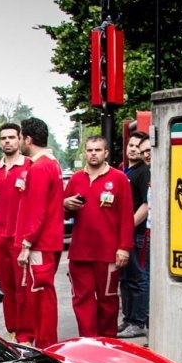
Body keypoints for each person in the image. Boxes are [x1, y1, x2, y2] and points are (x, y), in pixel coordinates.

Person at [63, 136, 134, 338]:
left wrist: (124, 248)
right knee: (81, 300)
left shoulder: (119, 178)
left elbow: (126, 216)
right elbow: (63, 213)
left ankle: (107, 344)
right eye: (90, 150)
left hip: (109, 253)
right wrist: (65, 204)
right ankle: (88, 341)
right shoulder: (76, 178)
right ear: (85, 153)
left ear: (106, 153)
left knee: (108, 301)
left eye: (98, 150)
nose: (93, 153)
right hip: (80, 253)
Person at [13, 117, 65, 348]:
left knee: (41, 295)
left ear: (28, 139)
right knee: (43, 293)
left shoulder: (40, 167)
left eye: (21, 136)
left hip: (40, 244)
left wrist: (26, 243)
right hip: (48, 241)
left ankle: (45, 345)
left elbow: (37, 211)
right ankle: (45, 342)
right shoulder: (51, 163)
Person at [0, 122, 29, 339]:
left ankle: (25, 334)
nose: (7, 141)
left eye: (12, 137)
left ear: (20, 139)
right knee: (6, 289)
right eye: (4, 138)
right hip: (0, 238)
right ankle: (12, 332)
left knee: (23, 290)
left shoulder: (29, 166)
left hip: (20, 239)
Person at [119, 130, 151, 338]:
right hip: (126, 234)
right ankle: (129, 318)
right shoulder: (126, 171)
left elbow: (146, 205)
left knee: (138, 278)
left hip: (137, 234)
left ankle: (138, 321)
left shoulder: (142, 172)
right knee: (126, 278)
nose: (134, 149)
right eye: (131, 145)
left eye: (138, 147)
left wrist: (127, 227)